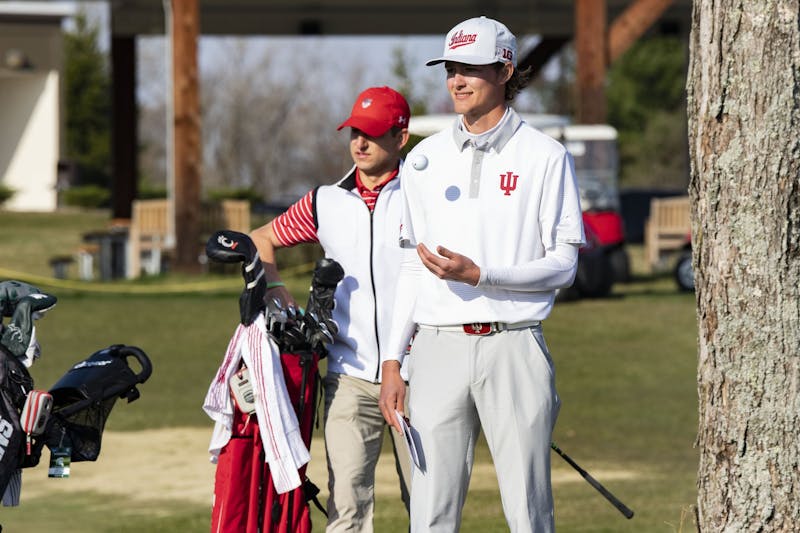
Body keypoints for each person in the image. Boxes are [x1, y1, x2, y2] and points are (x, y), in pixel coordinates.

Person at [378, 16, 585, 533]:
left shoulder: (545, 156)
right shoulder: (421, 159)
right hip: (436, 349)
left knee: (528, 512)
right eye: (451, 69)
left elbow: (564, 264)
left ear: (504, 69)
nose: (457, 81)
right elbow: (410, 266)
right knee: (429, 514)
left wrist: (481, 274)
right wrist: (391, 362)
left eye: (470, 69)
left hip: (514, 345)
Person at [250, 86, 413, 533]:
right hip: (348, 375)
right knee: (346, 512)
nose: (359, 143)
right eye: (354, 132)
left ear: (401, 137)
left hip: (420, 374)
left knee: (430, 507)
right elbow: (260, 239)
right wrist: (276, 287)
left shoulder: (425, 194)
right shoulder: (326, 200)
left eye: (373, 134)